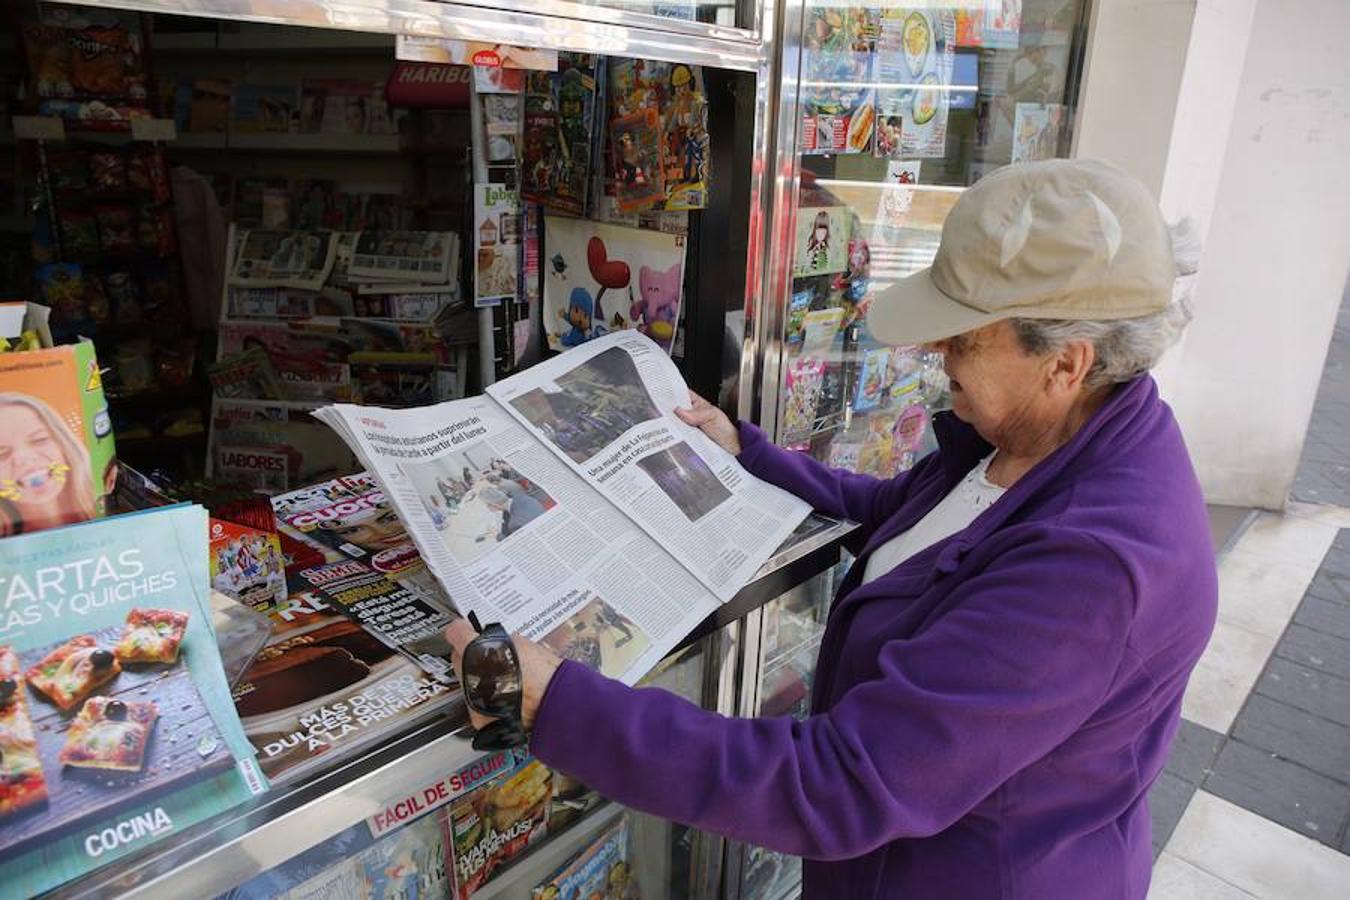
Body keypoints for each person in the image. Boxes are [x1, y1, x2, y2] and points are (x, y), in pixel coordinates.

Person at [446, 159, 1218, 899]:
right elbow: (906, 520)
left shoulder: (1094, 566)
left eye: (965, 337)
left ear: (1067, 363)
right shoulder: (1039, 434)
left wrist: (558, 705)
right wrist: (749, 454)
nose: (934, 350)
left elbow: (843, 781)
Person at [0, 393, 97, 535]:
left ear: (64, 444)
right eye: (1, 453)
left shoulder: (111, 503)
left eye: (40, 439)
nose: (24, 458)